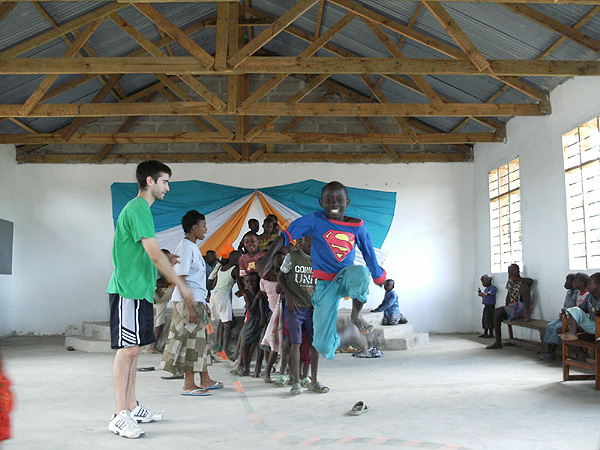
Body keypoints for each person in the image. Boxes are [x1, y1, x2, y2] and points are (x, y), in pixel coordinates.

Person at [107, 160, 193, 439]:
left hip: (141, 290)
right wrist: (180, 282)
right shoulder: (138, 208)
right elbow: (153, 254)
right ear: (149, 181)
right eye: (164, 181)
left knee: (136, 349)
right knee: (127, 350)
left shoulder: (140, 210)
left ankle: (131, 406)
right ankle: (120, 414)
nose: (168, 187)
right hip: (127, 290)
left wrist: (165, 260)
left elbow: (147, 252)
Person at [258, 181, 386, 360]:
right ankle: (346, 336)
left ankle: (355, 316)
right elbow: (288, 234)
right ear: (321, 203)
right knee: (323, 346)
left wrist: (380, 278)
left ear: (347, 203)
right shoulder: (315, 220)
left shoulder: (357, 227)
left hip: (345, 277)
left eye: (339, 200)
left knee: (362, 274)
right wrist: (268, 256)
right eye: (329, 200)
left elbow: (369, 254)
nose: (334, 204)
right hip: (325, 285)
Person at [159, 210, 223, 396]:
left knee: (201, 342)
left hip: (196, 301)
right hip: (188, 302)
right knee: (190, 343)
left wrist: (203, 304)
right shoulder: (186, 247)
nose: (206, 229)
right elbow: (182, 279)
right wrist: (190, 309)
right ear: (194, 227)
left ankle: (204, 379)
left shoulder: (193, 247)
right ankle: (188, 384)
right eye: (203, 225)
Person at [277, 236, 327, 394]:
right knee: (295, 344)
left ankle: (314, 380)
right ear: (302, 241)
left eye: (314, 240)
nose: (311, 243)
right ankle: (296, 382)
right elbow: (280, 276)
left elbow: (323, 282)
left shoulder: (320, 259)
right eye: (308, 240)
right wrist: (289, 296)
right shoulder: (293, 257)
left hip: (312, 308)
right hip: (295, 308)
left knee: (314, 345)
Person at [486, 264, 533, 350]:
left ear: (517, 271)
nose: (510, 273)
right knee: (497, 312)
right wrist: (506, 306)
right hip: (512, 308)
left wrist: (517, 279)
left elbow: (531, 281)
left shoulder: (523, 282)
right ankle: (498, 342)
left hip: (521, 307)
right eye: (509, 272)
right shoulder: (511, 281)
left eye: (512, 271)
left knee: (524, 286)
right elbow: (508, 295)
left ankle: (527, 315)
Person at [539, 273, 579, 361]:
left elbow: (577, 308)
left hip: (572, 319)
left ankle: (551, 352)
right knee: (550, 326)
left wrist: (566, 312)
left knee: (557, 327)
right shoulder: (569, 293)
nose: (565, 283)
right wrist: (562, 313)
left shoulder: (578, 293)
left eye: (567, 281)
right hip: (564, 316)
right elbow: (565, 306)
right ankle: (548, 350)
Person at [258, 252, 284, 380]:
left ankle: (281, 370)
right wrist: (263, 316)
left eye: (283, 259)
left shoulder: (286, 275)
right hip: (272, 313)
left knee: (284, 343)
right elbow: (263, 297)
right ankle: (268, 369)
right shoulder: (265, 279)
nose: (280, 261)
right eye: (278, 258)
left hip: (286, 312)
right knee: (270, 343)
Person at [211, 251, 240, 360]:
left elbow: (214, 284)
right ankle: (225, 350)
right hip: (223, 295)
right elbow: (240, 284)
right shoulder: (235, 269)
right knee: (227, 325)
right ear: (236, 260)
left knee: (222, 323)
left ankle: (219, 347)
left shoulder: (221, 268)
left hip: (215, 294)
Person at [148, 249, 177, 354]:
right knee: (181, 286)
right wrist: (173, 283)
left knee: (160, 319)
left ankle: (153, 346)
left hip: (158, 296)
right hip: (157, 294)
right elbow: (157, 283)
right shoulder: (158, 266)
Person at [560, 272, 600, 341]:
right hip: (591, 325)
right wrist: (567, 311)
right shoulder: (589, 297)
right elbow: (580, 309)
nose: (587, 285)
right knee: (575, 310)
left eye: (590, 283)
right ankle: (572, 333)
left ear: (597, 286)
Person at [239, 272, 262, 376]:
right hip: (252, 320)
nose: (250, 284)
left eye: (253, 281)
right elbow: (251, 309)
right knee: (246, 344)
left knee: (260, 346)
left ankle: (258, 368)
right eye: (247, 282)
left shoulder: (261, 292)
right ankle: (246, 367)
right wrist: (256, 299)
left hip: (261, 320)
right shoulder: (247, 294)